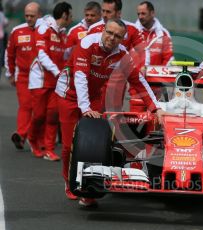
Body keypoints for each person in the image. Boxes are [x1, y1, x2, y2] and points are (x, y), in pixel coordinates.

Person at [55, 19, 164, 204]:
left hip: (93, 97)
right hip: (69, 95)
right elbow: (80, 77)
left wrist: (156, 108)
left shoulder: (122, 54)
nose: (111, 38)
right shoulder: (87, 43)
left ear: (122, 40)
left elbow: (138, 80)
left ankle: (89, 190)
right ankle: (70, 181)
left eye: (117, 36)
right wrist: (86, 108)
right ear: (103, 30)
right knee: (68, 146)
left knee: (97, 143)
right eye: (109, 33)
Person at [28, 2, 72, 160]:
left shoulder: (63, 34)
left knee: (53, 116)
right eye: (70, 15)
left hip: (56, 81)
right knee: (39, 115)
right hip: (40, 80)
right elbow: (42, 55)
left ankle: (49, 149)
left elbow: (64, 55)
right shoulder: (43, 28)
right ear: (65, 15)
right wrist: (57, 71)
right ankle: (32, 139)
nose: (71, 18)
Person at [5, 2, 41, 151]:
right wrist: (10, 73)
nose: (29, 18)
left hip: (41, 77)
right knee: (26, 106)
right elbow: (9, 54)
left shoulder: (45, 30)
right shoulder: (17, 31)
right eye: (26, 15)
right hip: (23, 76)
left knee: (39, 109)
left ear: (39, 15)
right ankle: (21, 134)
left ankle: (34, 137)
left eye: (32, 16)